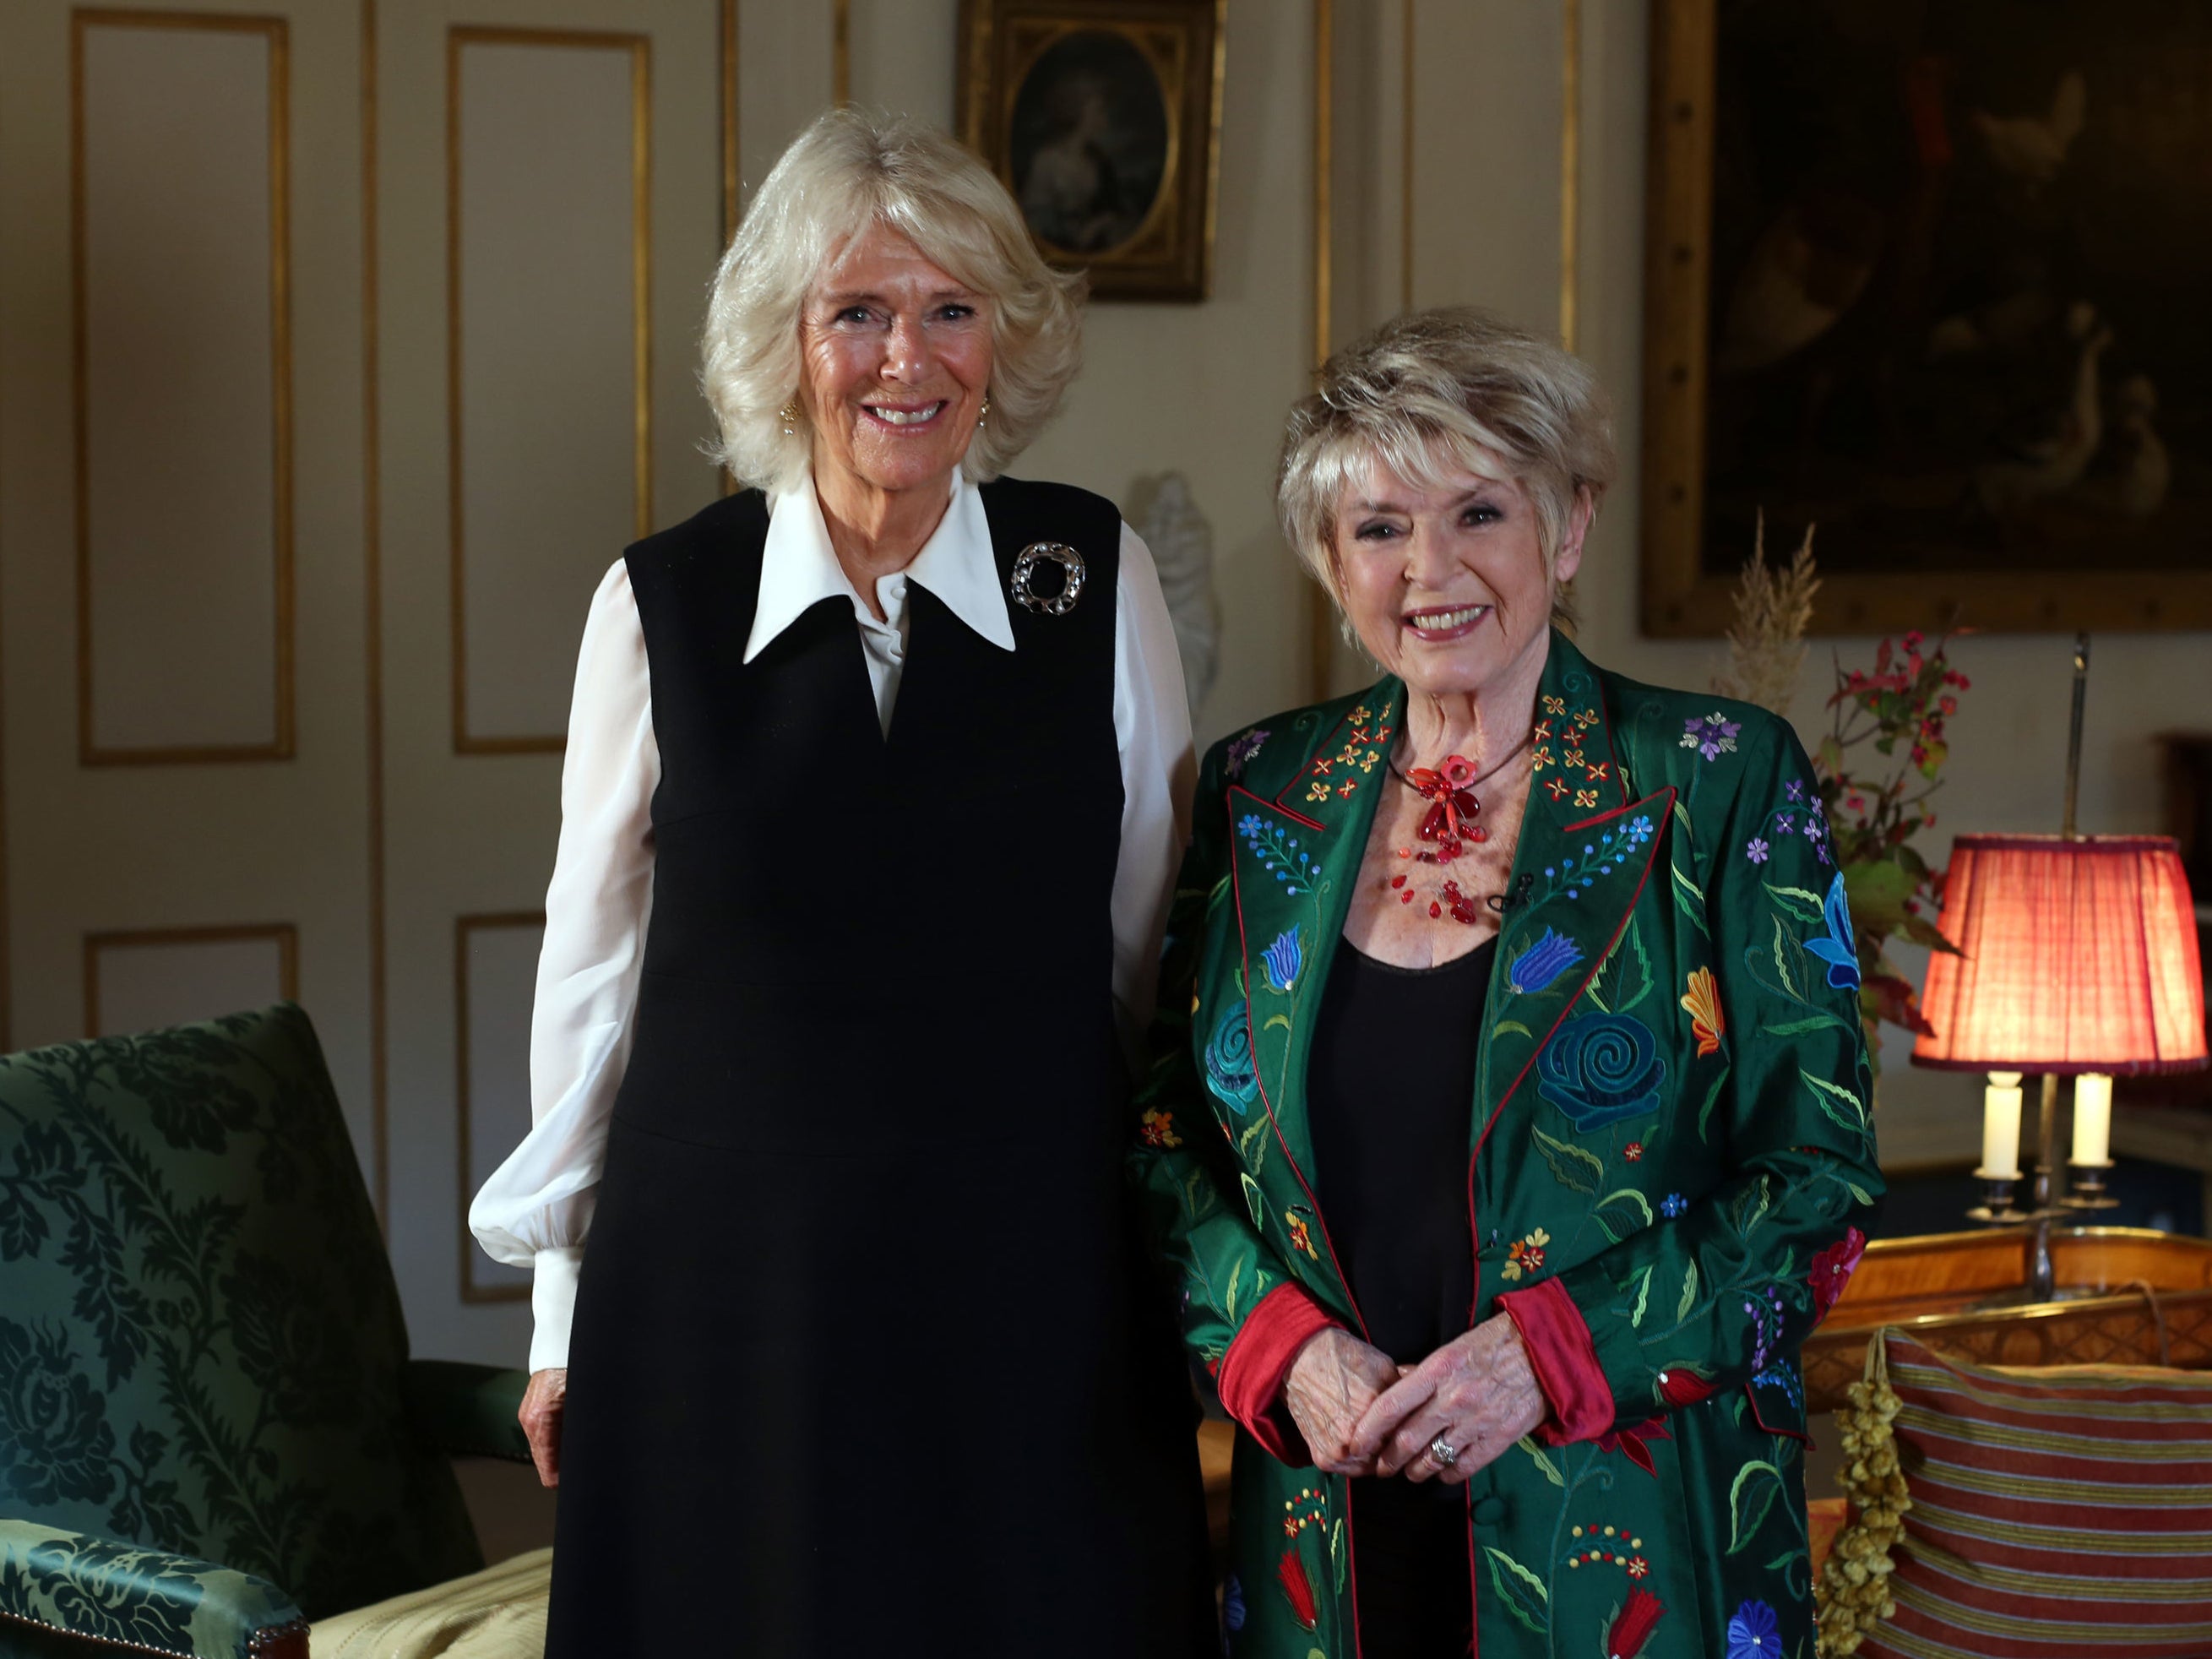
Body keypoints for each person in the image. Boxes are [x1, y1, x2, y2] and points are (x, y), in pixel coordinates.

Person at [469, 107, 1212, 1658]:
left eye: (953, 311)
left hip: (1027, 1282)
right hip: (728, 1301)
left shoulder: (1092, 577)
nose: (908, 361)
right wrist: (559, 1317)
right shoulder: (661, 603)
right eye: (859, 313)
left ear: (1002, 342)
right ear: (783, 342)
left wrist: (1167, 1260)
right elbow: (592, 986)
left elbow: (1157, 956)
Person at [1129, 308, 1881, 1659]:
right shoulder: (1259, 790)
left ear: (1568, 528)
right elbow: (1164, 1133)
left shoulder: (1714, 779)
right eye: (1378, 528)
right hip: (1325, 1525)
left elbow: (1815, 1185)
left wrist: (1544, 1356)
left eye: (1480, 511)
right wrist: (1280, 1349)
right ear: (1326, 557)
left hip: (1627, 1532)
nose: (1431, 570)